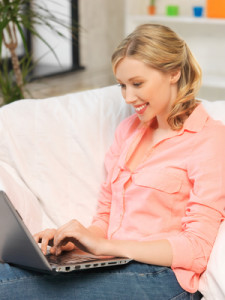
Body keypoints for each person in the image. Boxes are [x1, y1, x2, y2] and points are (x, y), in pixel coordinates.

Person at [0, 23, 225, 300]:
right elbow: (105, 215)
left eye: (138, 84)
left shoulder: (209, 139)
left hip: (164, 278)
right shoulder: (129, 131)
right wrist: (79, 243)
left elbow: (197, 249)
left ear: (173, 73)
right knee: (10, 271)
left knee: (6, 284)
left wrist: (105, 246)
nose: (129, 97)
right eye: (122, 85)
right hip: (116, 264)